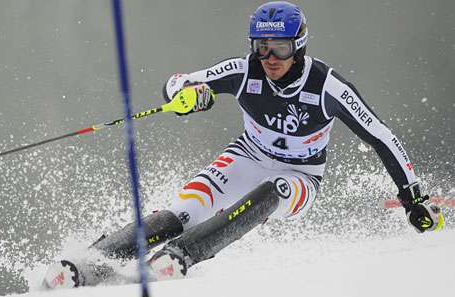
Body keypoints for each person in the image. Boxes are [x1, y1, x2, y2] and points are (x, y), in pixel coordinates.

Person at [43, 1, 444, 289]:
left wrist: (413, 198)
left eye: (281, 48)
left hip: (299, 175)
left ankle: (184, 255)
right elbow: (176, 82)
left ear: (299, 46)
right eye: (261, 46)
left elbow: (381, 135)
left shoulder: (327, 86)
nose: (269, 58)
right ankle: (95, 261)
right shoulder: (243, 69)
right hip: (246, 157)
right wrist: (188, 96)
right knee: (182, 210)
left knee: (272, 192)